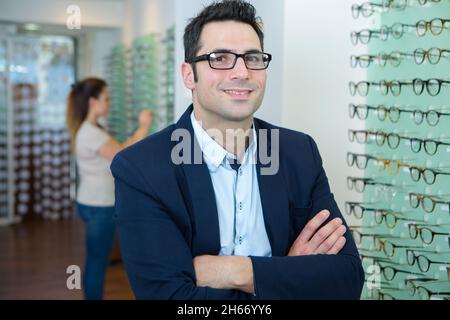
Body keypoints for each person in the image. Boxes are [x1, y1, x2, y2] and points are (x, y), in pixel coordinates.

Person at [111, 1, 364, 299]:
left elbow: (347, 279)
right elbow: (172, 298)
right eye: (220, 58)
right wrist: (287, 273)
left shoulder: (298, 152)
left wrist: (237, 271)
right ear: (189, 75)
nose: (242, 72)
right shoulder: (142, 168)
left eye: (253, 58)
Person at [66, 77, 153, 300]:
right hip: (100, 206)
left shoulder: (91, 128)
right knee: (96, 263)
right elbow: (122, 155)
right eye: (106, 98)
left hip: (91, 201)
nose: (110, 102)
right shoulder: (90, 132)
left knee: (98, 259)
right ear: (93, 101)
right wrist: (143, 126)